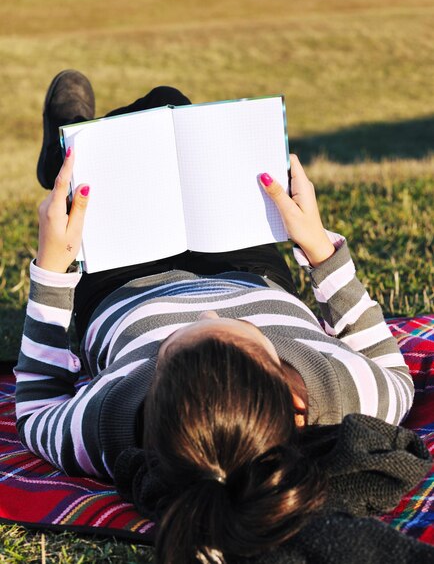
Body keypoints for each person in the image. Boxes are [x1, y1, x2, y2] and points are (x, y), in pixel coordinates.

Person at [15, 70, 415, 563]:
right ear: (292, 395)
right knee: (173, 107)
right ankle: (75, 143)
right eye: (245, 332)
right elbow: (392, 367)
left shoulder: (112, 421)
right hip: (245, 270)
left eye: (173, 339)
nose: (205, 308)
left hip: (124, 283)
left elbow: (34, 406)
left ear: (149, 393)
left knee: (136, 131)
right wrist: (317, 248)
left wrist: (53, 266)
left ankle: (67, 146)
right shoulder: (344, 392)